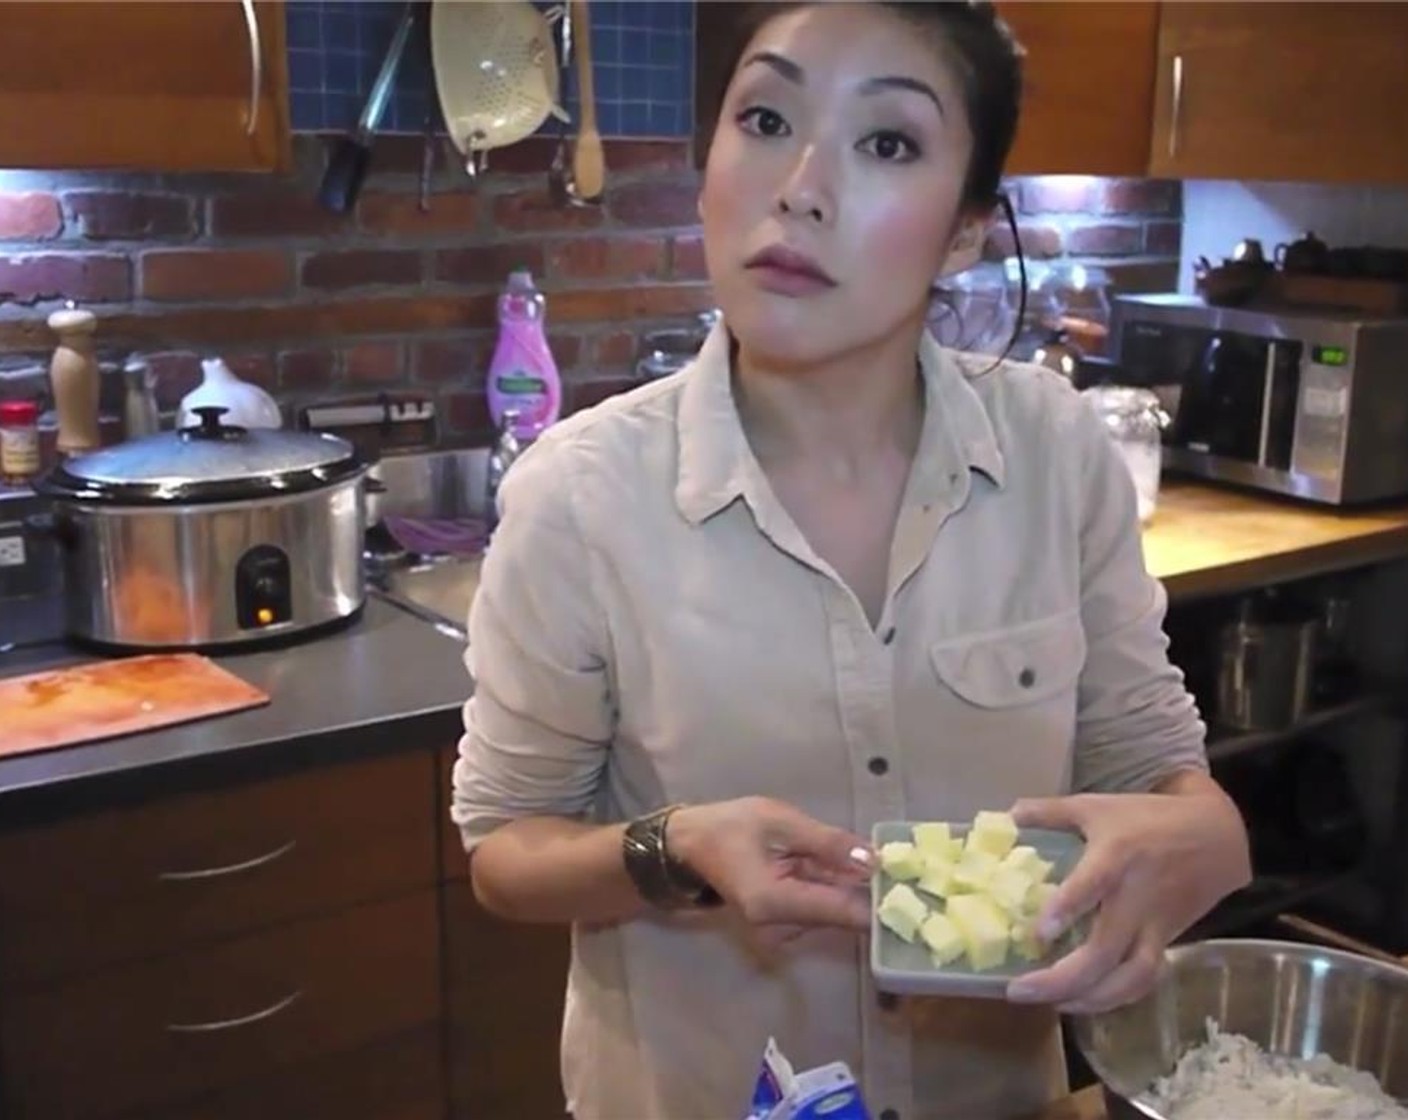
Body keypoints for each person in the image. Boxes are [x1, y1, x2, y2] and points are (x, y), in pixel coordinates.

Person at [451, 3, 1252, 1118]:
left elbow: (1149, 766)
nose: (801, 186)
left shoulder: (1055, 455)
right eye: (766, 118)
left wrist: (1204, 835)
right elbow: (505, 850)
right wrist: (673, 848)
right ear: (707, 170)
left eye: (887, 142)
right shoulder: (579, 496)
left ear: (967, 228)